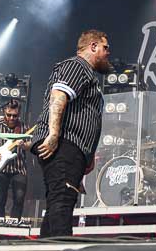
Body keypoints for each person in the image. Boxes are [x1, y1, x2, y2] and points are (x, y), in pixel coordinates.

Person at [31, 30, 111, 237]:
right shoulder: (77, 66)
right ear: (93, 46)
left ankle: (47, 245)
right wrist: (54, 134)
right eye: (105, 48)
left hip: (74, 149)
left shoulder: (88, 74)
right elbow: (59, 95)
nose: (108, 53)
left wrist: (88, 155)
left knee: (60, 201)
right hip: (64, 144)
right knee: (62, 200)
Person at [0, 99, 30, 220]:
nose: (11, 118)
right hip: (0, 168)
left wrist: (23, 145)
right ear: (4, 112)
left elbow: (30, 145)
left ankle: (14, 227)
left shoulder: (24, 127)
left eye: (14, 116)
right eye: (8, 115)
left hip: (19, 168)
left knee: (19, 199)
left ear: (19, 114)